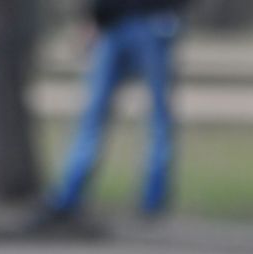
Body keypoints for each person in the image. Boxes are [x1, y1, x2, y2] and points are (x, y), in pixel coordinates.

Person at [32, 0, 187, 229]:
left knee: (157, 117)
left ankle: (153, 200)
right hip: (114, 25)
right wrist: (94, 18)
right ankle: (68, 196)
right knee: (93, 115)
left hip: (154, 22)